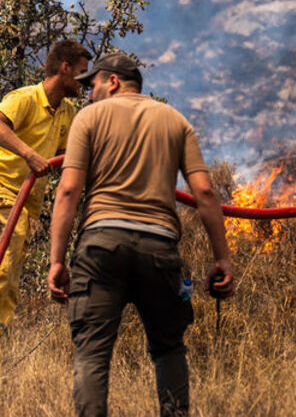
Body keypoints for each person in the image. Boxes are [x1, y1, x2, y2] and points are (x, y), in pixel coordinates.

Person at [46, 51, 236, 416]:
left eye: (94, 85)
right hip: (159, 247)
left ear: (112, 82)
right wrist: (221, 257)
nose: (88, 94)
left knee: (92, 353)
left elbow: (68, 191)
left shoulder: (89, 118)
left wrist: (57, 261)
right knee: (168, 348)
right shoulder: (175, 121)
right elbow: (207, 194)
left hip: (100, 246)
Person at [0, 40, 91, 330]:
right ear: (65, 69)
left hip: (25, 206)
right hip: (4, 192)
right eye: (81, 72)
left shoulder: (66, 113)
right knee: (6, 265)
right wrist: (28, 154)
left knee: (10, 268)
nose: (85, 81)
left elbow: (71, 158)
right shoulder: (24, 98)